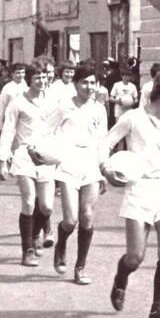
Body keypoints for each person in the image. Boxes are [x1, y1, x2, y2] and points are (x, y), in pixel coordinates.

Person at [101, 68, 160, 318]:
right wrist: (105, 169)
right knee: (135, 257)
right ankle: (121, 277)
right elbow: (105, 143)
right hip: (139, 189)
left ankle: (157, 309)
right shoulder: (134, 118)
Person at [30, 63, 107, 285]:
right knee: (71, 219)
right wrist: (34, 148)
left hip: (90, 164)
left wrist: (103, 170)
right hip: (68, 164)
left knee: (87, 216)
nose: (89, 87)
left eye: (93, 82)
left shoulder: (99, 109)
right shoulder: (64, 106)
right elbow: (44, 129)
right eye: (85, 82)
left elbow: (102, 142)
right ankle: (61, 241)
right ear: (75, 84)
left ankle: (80, 267)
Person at [0, 62, 58, 266]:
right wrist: (2, 160)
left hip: (47, 157)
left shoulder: (53, 102)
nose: (42, 81)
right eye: (37, 78)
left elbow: (59, 130)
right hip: (24, 155)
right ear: (29, 80)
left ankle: (33, 235)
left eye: (44, 77)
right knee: (30, 201)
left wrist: (60, 156)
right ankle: (27, 250)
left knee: (47, 206)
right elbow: (8, 131)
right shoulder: (18, 103)